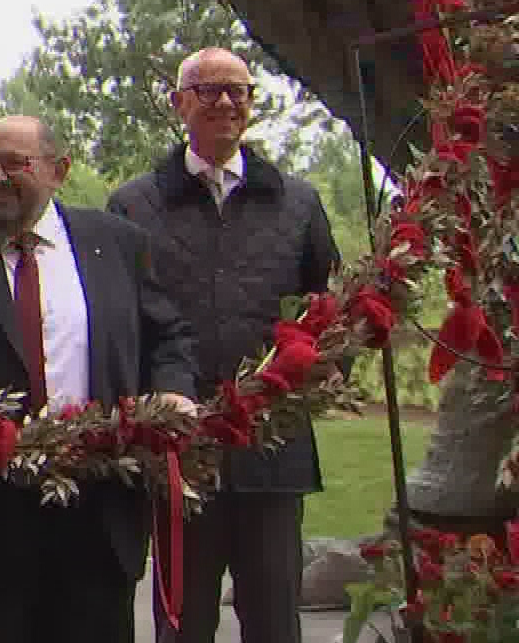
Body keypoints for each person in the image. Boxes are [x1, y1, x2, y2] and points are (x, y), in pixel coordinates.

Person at [0, 115, 198, 643]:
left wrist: (172, 391)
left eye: (14, 163)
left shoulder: (118, 243)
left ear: (59, 170)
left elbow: (168, 335)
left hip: (99, 512)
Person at [108, 48, 339, 643]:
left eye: (239, 90)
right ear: (179, 103)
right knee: (183, 623)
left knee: (273, 620)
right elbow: (120, 323)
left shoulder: (298, 203)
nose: (226, 103)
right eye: (208, 90)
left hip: (273, 448)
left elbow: (323, 310)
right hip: (180, 450)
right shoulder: (133, 206)